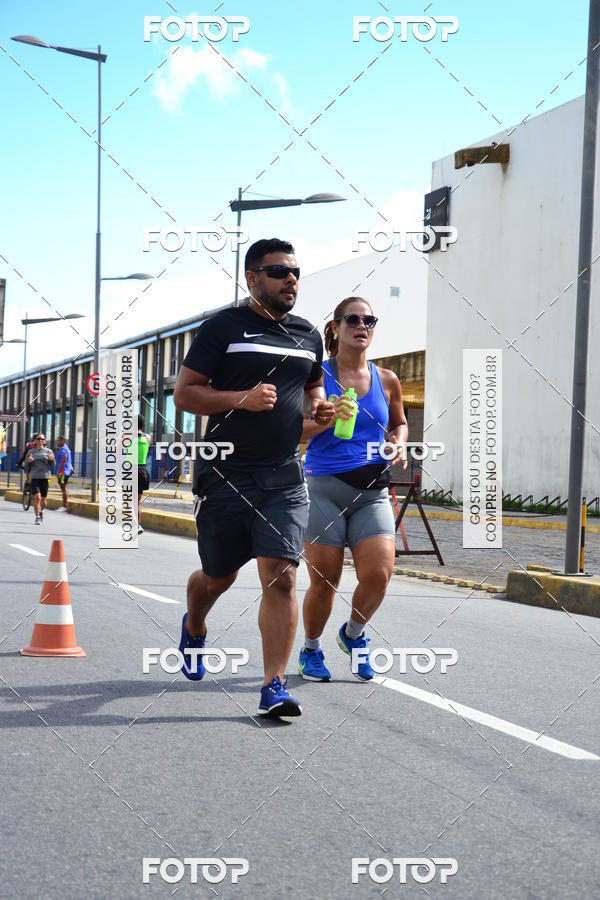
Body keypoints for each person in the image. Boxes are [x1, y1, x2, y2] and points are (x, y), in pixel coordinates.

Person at [173, 238, 334, 719]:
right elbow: (185, 394)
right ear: (252, 278)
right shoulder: (222, 327)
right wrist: (238, 398)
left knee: (281, 578)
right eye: (279, 271)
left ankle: (274, 686)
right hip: (225, 474)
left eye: (296, 272)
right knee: (217, 576)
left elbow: (313, 390)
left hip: (284, 479)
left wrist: (322, 408)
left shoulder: (308, 334)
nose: (291, 280)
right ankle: (195, 624)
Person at [298, 296, 408, 682]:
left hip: (373, 490)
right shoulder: (316, 377)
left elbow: (399, 423)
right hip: (324, 487)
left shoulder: (387, 379)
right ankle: (310, 649)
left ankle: (353, 635)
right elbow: (295, 432)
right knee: (325, 581)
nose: (362, 326)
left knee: (379, 573)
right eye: (353, 320)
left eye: (369, 320)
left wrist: (398, 441)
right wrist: (326, 422)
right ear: (335, 328)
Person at [25, 433, 55, 525]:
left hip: (45, 477)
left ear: (45, 441)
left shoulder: (48, 451)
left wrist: (51, 460)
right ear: (35, 441)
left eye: (42, 439)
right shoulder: (31, 452)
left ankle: (42, 511)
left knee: (43, 500)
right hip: (35, 477)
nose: (40, 441)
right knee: (37, 497)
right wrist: (29, 461)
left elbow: (53, 465)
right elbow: (26, 466)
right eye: (38, 439)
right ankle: (37, 517)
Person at [136, 415, 152, 535]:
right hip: (143, 470)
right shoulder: (148, 437)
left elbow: (115, 449)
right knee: (136, 503)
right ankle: (137, 526)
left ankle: (135, 526)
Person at [55, 436, 72, 511]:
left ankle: (64, 507)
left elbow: (64, 461)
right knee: (63, 488)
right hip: (65, 471)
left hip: (63, 472)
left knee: (63, 488)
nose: (57, 442)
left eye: (58, 441)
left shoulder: (63, 449)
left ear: (63, 441)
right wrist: (71, 468)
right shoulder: (67, 448)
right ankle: (65, 505)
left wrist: (60, 472)